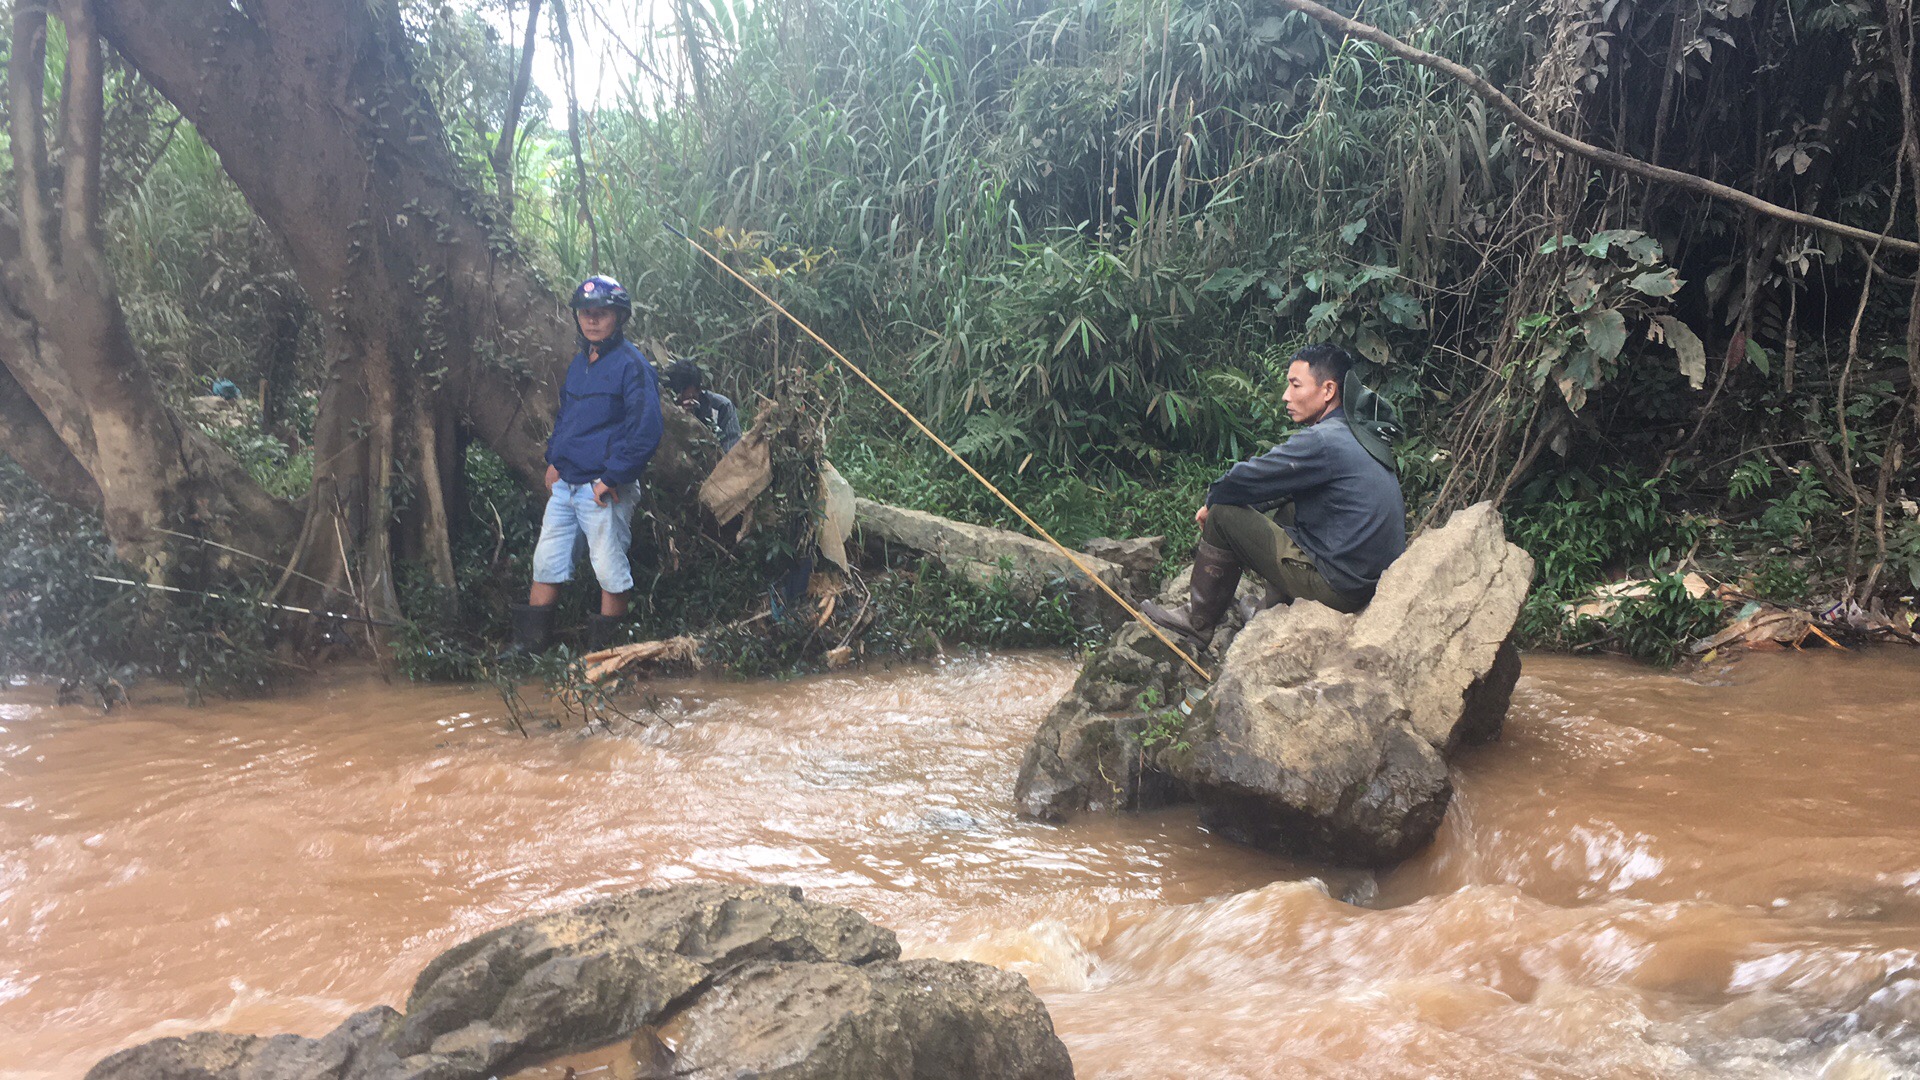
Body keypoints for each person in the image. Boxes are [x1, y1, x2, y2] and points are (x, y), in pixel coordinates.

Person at [1142, 343, 1405, 648]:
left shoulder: (1323, 440)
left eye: (1295, 385)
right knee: (1288, 509)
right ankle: (1271, 614)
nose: (1286, 396)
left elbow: (1246, 478)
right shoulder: (1355, 433)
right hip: (1369, 583)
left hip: (1340, 588)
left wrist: (1213, 503)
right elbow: (1275, 488)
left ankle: (1197, 622)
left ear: (1328, 390)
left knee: (1225, 514)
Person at [509, 275, 665, 653]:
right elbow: (569, 417)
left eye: (601, 313)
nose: (592, 320)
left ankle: (607, 654)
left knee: (609, 568)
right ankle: (530, 649)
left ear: (619, 316)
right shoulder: (581, 364)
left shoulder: (633, 366)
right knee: (547, 561)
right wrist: (555, 460)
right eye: (585, 313)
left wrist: (613, 477)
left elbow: (646, 428)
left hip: (603, 488)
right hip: (566, 485)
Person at [664, 357, 742, 451]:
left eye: (690, 397)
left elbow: (733, 452)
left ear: (699, 389)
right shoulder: (665, 410)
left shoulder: (721, 407)